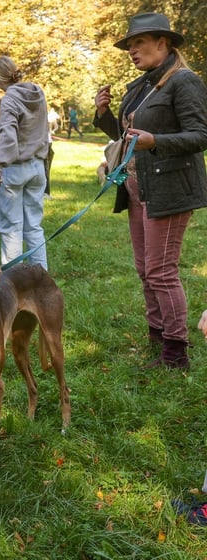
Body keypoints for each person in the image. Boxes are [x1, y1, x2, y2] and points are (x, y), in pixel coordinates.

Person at [93, 12, 207, 369]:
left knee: (161, 271)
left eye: (138, 42)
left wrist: (155, 140)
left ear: (163, 43)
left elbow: (200, 136)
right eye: (129, 44)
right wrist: (105, 115)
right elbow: (127, 140)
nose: (131, 49)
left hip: (169, 188)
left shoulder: (184, 82)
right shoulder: (143, 86)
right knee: (146, 269)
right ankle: (157, 335)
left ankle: (176, 352)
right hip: (137, 188)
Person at [0, 55, 50, 270]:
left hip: (14, 169)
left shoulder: (9, 99)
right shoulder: (38, 93)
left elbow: (7, 134)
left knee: (11, 229)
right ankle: (41, 279)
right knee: (34, 227)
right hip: (38, 167)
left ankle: (13, 282)